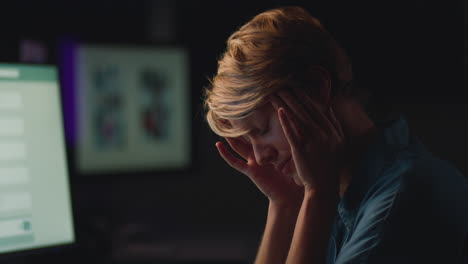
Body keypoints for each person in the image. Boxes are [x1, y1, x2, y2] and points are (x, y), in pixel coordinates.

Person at [203, 6, 468, 264]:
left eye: (261, 130)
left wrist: (318, 195)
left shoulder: (401, 202)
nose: (260, 157)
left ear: (317, 89)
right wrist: (284, 205)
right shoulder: (337, 190)